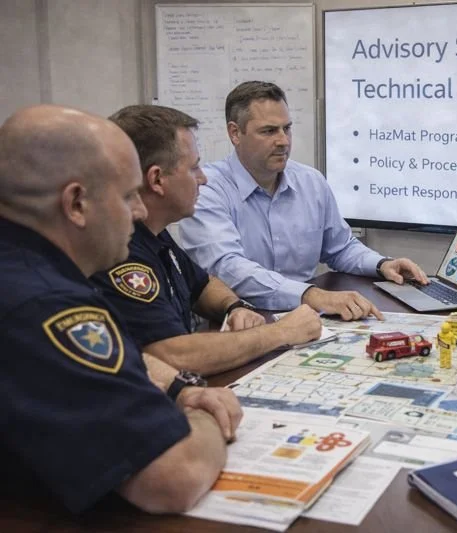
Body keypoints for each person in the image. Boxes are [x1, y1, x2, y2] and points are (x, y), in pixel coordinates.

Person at [0, 105, 243, 514]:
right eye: (128, 195)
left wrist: (180, 390)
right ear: (76, 204)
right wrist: (205, 417)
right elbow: (174, 478)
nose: (141, 211)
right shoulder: (48, 306)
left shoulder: (28, 268)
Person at [91, 105, 321, 376]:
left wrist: (234, 306)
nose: (203, 178)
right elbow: (173, 355)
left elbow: (201, 284)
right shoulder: (122, 249)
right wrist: (281, 332)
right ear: (156, 180)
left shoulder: (155, 232)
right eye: (194, 167)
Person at [178, 81, 429, 320]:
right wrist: (311, 296)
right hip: (240, 322)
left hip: (308, 319)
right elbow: (229, 269)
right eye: (269, 131)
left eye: (286, 128)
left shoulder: (311, 182)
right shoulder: (207, 188)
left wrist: (382, 264)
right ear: (235, 133)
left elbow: (340, 247)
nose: (283, 141)